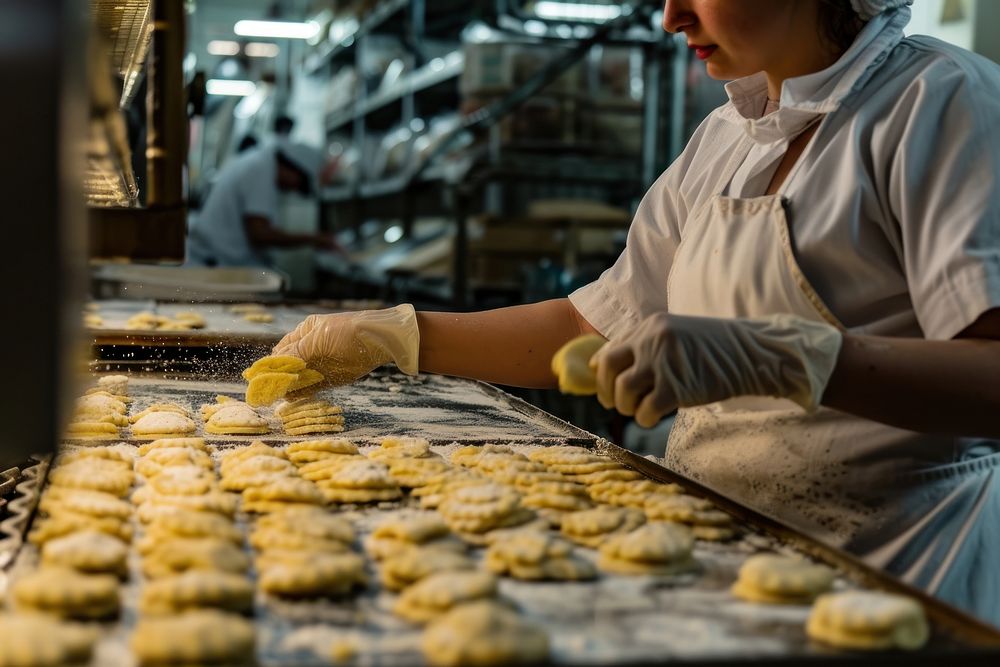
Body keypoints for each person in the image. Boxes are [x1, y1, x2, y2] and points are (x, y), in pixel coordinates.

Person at [274, 0, 1000, 624]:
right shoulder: (727, 137)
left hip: (891, 567)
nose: (670, 15)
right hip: (712, 544)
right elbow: (595, 326)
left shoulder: (941, 105)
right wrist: (399, 335)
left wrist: (791, 357)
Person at [187, 142, 341, 267]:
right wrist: (313, 239)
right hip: (216, 263)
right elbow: (260, 234)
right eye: (297, 184)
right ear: (293, 168)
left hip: (218, 261)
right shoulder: (260, 169)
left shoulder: (257, 162)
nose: (292, 189)